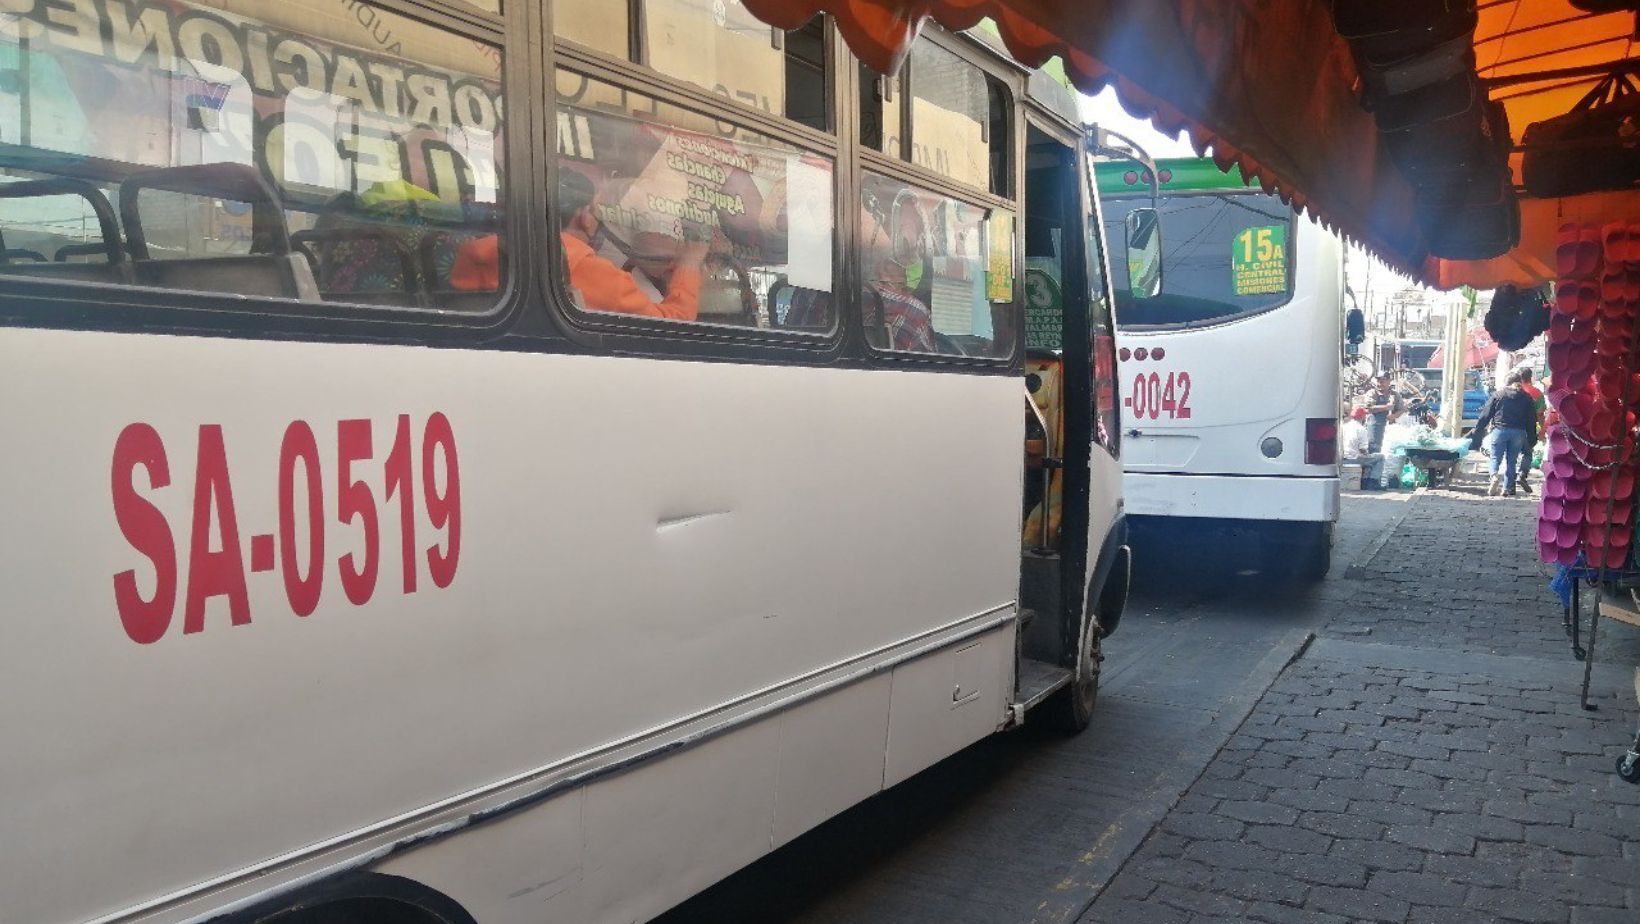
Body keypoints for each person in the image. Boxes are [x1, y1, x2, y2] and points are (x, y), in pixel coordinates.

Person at [450, 170, 707, 321]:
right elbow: (674, 326)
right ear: (584, 216)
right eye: (596, 211)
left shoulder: (475, 254)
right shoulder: (586, 270)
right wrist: (689, 264)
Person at [1469, 373, 1539, 497]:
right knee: (1511, 461)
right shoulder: (1527, 398)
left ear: (1506, 383)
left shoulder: (1498, 395)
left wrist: (1478, 430)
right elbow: (1531, 420)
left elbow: (1486, 415)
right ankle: (1507, 488)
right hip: (1518, 432)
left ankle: (1494, 476)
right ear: (1520, 382)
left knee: (1495, 458)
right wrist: (1532, 438)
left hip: (1500, 431)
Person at [1514, 367, 1545, 494]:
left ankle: (1509, 482)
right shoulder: (1537, 393)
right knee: (1527, 453)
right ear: (1530, 377)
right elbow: (1540, 415)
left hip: (1513, 425)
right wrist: (1542, 431)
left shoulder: (1514, 390)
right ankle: (1522, 473)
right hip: (1530, 428)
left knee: (1512, 455)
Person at [1342, 406, 1386, 490]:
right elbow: (1363, 449)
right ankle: (1373, 482)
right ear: (1362, 417)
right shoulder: (1361, 429)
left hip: (1343, 457)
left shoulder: (1344, 427)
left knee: (1369, 459)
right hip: (1354, 458)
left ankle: (1365, 481)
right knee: (1380, 457)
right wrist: (1368, 455)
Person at [1364, 373, 1403, 454]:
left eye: (1382, 381)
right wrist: (1386, 407)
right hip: (1375, 427)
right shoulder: (1372, 393)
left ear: (1389, 381)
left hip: (1390, 427)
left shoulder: (1395, 395)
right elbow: (1368, 408)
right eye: (1378, 381)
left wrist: (1394, 416)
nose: (1379, 384)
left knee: (1390, 450)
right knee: (1375, 450)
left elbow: (1401, 409)